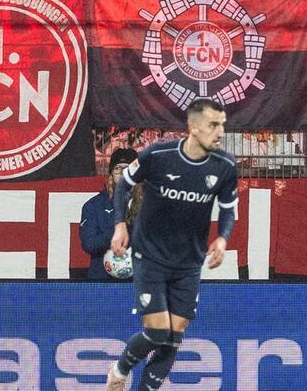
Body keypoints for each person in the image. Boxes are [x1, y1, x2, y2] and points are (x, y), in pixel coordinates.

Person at [105, 99, 239, 391]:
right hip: (150, 256)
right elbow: (124, 184)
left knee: (174, 336)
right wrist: (119, 224)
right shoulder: (158, 155)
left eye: (222, 125)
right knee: (157, 332)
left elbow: (228, 209)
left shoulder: (225, 167)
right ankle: (120, 368)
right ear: (193, 128)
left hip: (188, 262)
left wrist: (223, 237)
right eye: (213, 125)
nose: (220, 132)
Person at [80, 148, 139, 281]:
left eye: (128, 168)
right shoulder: (94, 206)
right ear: (111, 173)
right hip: (103, 284)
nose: (123, 173)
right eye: (118, 168)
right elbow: (89, 244)